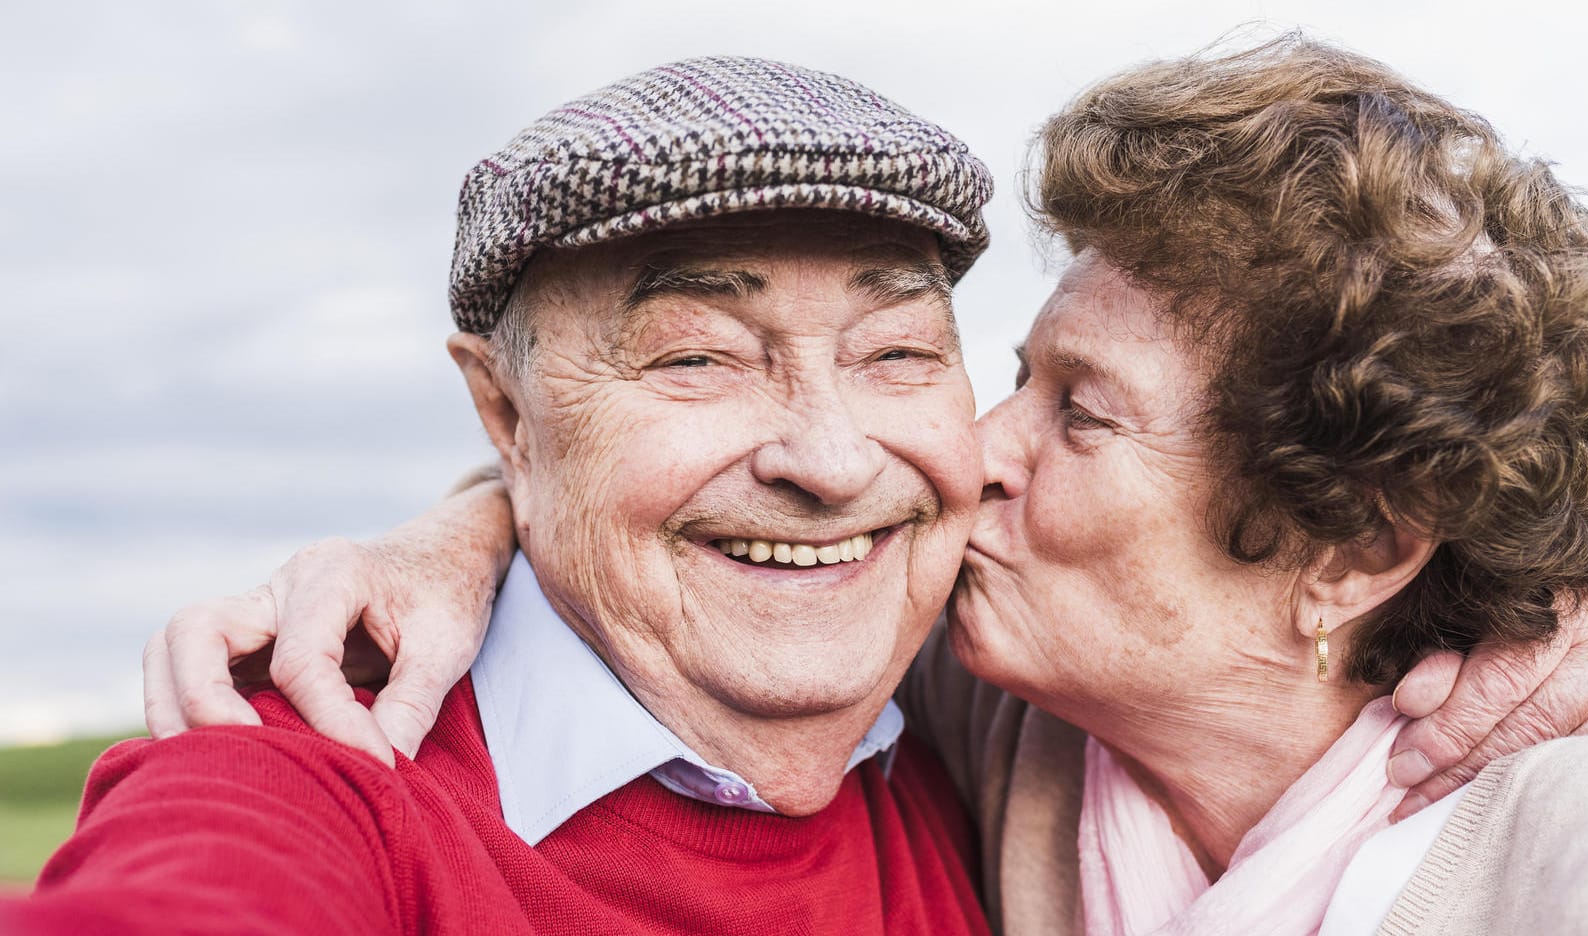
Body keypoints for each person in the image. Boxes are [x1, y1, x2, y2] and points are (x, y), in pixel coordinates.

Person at [140, 36, 1588, 935]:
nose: (954, 456)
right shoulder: (986, 715)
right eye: (1014, 373)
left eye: (1080, 416)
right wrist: (470, 526)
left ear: (1354, 546)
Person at [3, 57, 1001, 934]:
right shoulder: (316, 778)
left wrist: (465, 528)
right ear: (507, 416)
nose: (830, 461)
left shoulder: (991, 724)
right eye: (695, 357)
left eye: (897, 352)